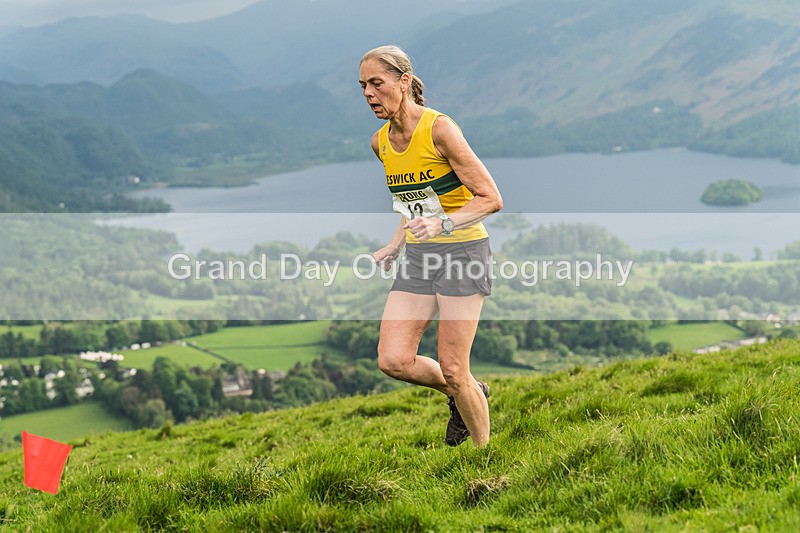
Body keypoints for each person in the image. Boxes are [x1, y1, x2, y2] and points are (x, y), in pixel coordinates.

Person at [359, 45, 503, 447]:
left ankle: (485, 457)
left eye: (377, 83)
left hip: (463, 255)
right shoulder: (380, 143)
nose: (369, 93)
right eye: (363, 86)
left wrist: (443, 223)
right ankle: (468, 392)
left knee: (454, 367)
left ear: (404, 81)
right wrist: (395, 244)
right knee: (393, 359)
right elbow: (414, 203)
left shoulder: (439, 129)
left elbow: (491, 198)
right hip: (419, 258)